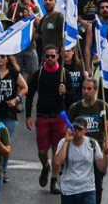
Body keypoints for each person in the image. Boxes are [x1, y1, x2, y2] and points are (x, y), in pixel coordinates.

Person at [53, 116, 105, 204]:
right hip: (69, 190)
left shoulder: (92, 144)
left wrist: (105, 153)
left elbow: (102, 167)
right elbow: (58, 162)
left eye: (80, 129)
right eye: (74, 128)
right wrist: (66, 142)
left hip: (87, 190)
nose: (76, 132)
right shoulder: (64, 142)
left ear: (86, 130)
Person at [25, 44, 73, 194]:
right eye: (48, 56)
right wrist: (27, 115)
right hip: (42, 117)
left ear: (58, 56)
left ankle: (54, 180)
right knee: (42, 150)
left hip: (59, 116)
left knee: (57, 150)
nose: (50, 58)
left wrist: (66, 91)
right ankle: (45, 166)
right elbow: (30, 95)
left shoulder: (65, 74)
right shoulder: (38, 74)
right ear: (44, 57)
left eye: (53, 56)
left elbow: (74, 97)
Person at [66, 77, 108, 204]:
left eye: (89, 89)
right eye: (84, 88)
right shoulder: (75, 108)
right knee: (79, 180)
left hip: (96, 151)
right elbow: (68, 129)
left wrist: (107, 145)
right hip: (79, 151)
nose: (85, 91)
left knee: (97, 182)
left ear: (96, 90)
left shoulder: (103, 107)